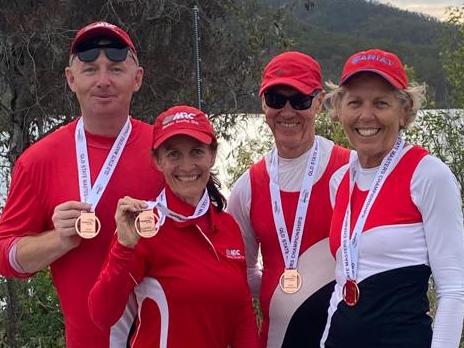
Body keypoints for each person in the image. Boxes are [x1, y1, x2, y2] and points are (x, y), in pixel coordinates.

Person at [0, 21, 164, 347]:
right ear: (71, 79)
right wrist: (58, 240)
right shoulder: (38, 161)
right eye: (90, 70)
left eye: (116, 69)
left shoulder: (168, 153)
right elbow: (6, 256)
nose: (103, 80)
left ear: (138, 78)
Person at [321, 48, 464, 348]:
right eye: (355, 102)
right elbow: (342, 282)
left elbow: (454, 290)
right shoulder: (340, 182)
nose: (366, 115)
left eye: (381, 103)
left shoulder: (428, 175)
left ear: (404, 111)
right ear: (339, 109)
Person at [88, 105, 259, 347]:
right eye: (174, 154)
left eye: (197, 152)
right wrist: (124, 247)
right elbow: (102, 315)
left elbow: (241, 314)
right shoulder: (144, 226)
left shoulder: (227, 225)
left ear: (212, 155)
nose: (187, 166)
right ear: (157, 161)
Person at [228, 51, 350, 348]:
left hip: (341, 337)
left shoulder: (349, 170)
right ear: (263, 104)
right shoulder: (247, 187)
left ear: (319, 102)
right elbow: (240, 274)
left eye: (299, 100)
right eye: (275, 99)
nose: (287, 111)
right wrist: (281, 288)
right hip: (275, 340)